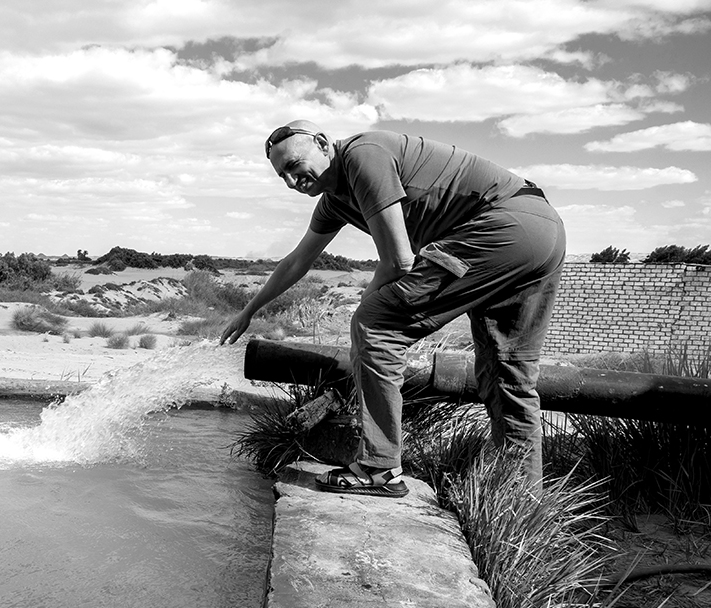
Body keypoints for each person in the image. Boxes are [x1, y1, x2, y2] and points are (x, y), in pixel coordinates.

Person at [220, 121, 565, 498]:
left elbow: (399, 261)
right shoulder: (335, 201)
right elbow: (297, 261)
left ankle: (379, 467)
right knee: (507, 372)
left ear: (322, 143)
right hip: (543, 230)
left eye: (293, 165)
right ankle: (522, 501)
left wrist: (366, 309)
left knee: (375, 323)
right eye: (282, 175)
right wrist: (249, 310)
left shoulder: (362, 155)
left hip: (502, 227)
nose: (290, 181)